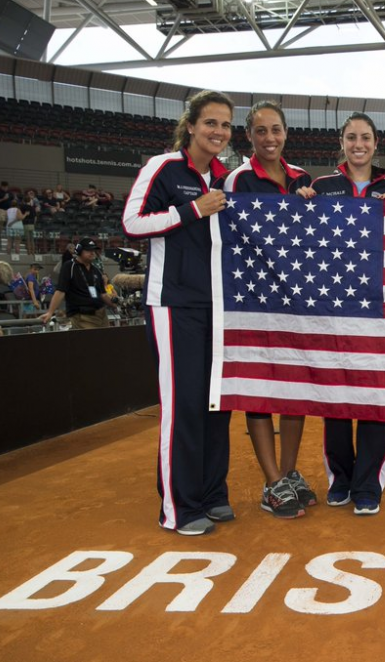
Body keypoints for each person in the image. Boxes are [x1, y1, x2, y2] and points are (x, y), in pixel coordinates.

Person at [121, 89, 235, 536]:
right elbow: (132, 224)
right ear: (190, 125)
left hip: (219, 309)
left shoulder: (227, 177)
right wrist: (191, 209)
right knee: (182, 406)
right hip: (173, 305)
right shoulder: (163, 167)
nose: (218, 132)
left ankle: (211, 494)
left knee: (215, 405)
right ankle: (179, 508)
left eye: (225, 125)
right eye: (211, 123)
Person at [297, 112, 385, 516]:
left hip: (378, 307)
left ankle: (367, 484)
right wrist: (301, 205)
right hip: (332, 308)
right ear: (341, 143)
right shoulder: (321, 187)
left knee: (375, 394)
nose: (359, 144)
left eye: (366, 137)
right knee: (335, 395)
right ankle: (340, 478)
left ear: (376, 144)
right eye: (351, 137)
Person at [222, 100, 317, 519]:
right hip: (254, 300)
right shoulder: (237, 180)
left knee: (295, 387)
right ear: (249, 136)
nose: (270, 138)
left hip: (297, 299)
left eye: (276, 129)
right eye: (261, 131)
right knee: (260, 389)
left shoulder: (301, 178)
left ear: (285, 132)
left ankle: (290, 472)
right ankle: (271, 480)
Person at [41, 237, 115, 329]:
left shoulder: (96, 270)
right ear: (79, 251)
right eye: (88, 250)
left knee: (106, 341)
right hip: (82, 316)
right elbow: (60, 291)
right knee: (92, 342)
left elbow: (103, 294)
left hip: (101, 314)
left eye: (94, 250)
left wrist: (114, 304)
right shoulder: (69, 267)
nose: (92, 252)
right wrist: (50, 312)